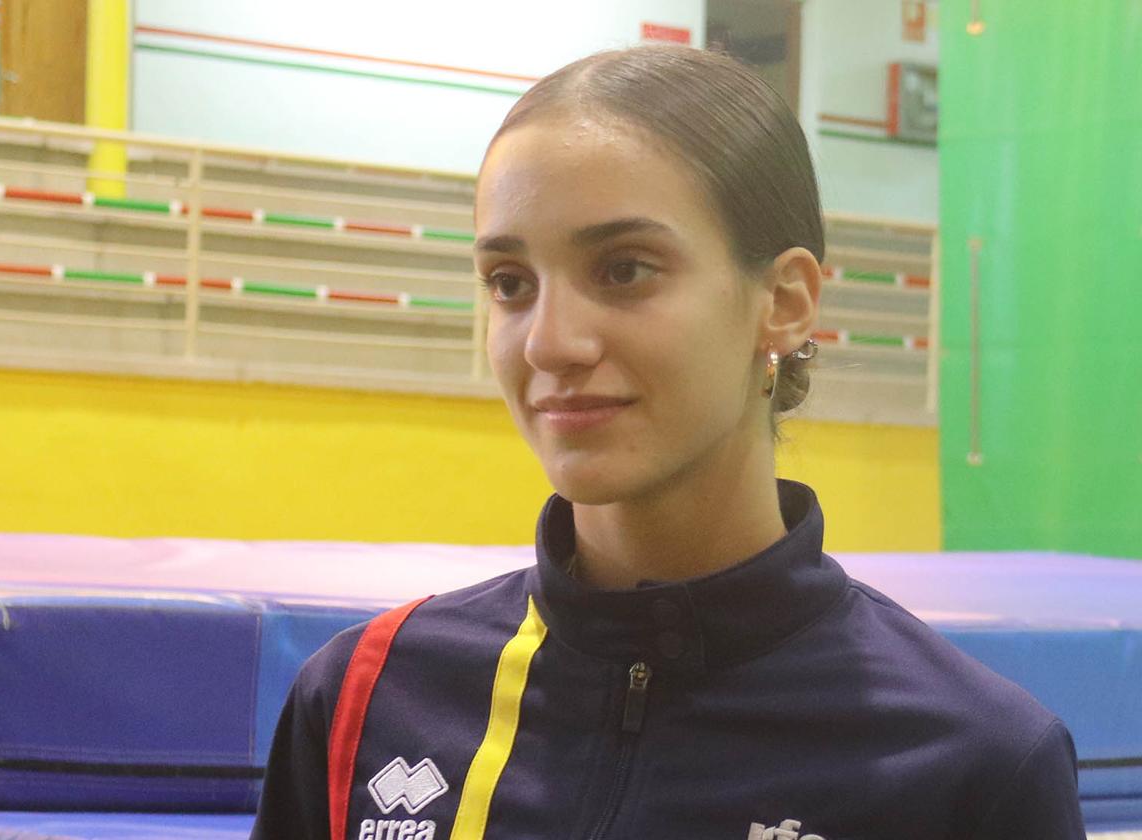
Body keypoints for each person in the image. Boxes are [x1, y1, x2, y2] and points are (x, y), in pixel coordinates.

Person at [251, 45, 1085, 840]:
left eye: (624, 269)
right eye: (510, 283)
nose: (549, 343)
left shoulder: (967, 763)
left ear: (785, 302)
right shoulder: (370, 695)